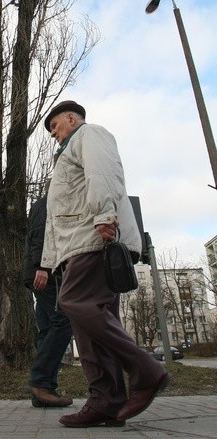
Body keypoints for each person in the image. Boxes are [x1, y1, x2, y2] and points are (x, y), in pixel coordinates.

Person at [41, 100, 170, 428]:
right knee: (90, 325)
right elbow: (56, 218)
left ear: (72, 118)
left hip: (95, 240)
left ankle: (146, 369)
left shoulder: (89, 135)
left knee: (75, 302)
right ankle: (106, 402)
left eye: (56, 126)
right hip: (78, 246)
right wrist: (50, 261)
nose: (54, 134)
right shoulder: (64, 158)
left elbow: (103, 173)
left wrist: (103, 214)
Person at [23, 191, 73, 408]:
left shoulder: (44, 202)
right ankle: (41, 383)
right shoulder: (49, 202)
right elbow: (39, 235)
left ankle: (44, 391)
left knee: (47, 330)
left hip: (40, 273)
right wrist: (43, 267)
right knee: (63, 322)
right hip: (47, 274)